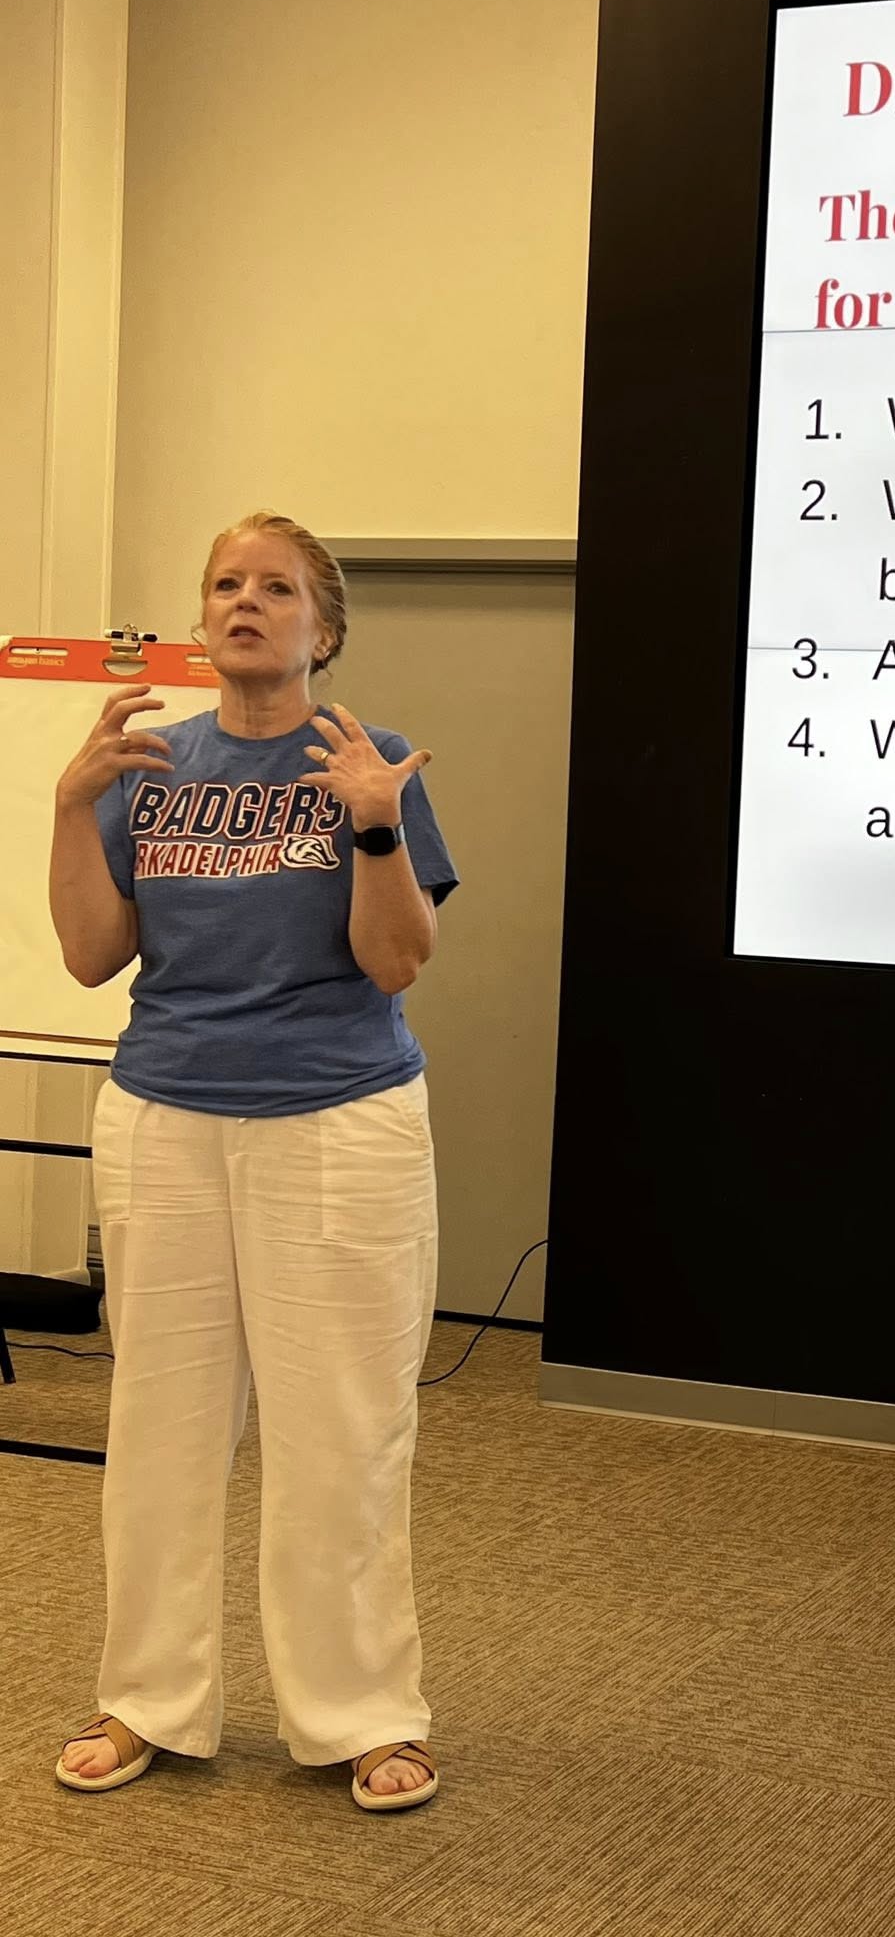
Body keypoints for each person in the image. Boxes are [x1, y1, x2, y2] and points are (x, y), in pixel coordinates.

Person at [46, 510, 459, 1813]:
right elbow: (89, 954)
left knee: (341, 1429)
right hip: (165, 1117)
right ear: (202, 616)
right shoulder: (151, 767)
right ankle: (147, 1702)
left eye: (275, 587)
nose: (245, 602)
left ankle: (362, 1719)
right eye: (225, 583)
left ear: (321, 629)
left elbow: (398, 964)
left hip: (337, 1123)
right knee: (159, 1426)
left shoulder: (372, 762)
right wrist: (70, 804)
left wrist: (378, 829)